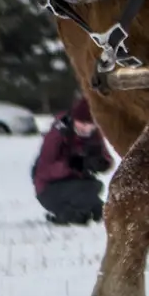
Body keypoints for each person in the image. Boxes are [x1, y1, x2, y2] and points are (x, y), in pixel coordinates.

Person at [32, 96, 113, 226]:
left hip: (81, 186)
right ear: (74, 118)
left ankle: (78, 213)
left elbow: (106, 158)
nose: (85, 128)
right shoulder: (58, 133)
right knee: (86, 194)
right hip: (49, 189)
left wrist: (101, 163)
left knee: (95, 191)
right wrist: (73, 164)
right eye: (81, 122)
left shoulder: (93, 135)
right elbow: (45, 169)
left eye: (90, 124)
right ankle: (67, 214)